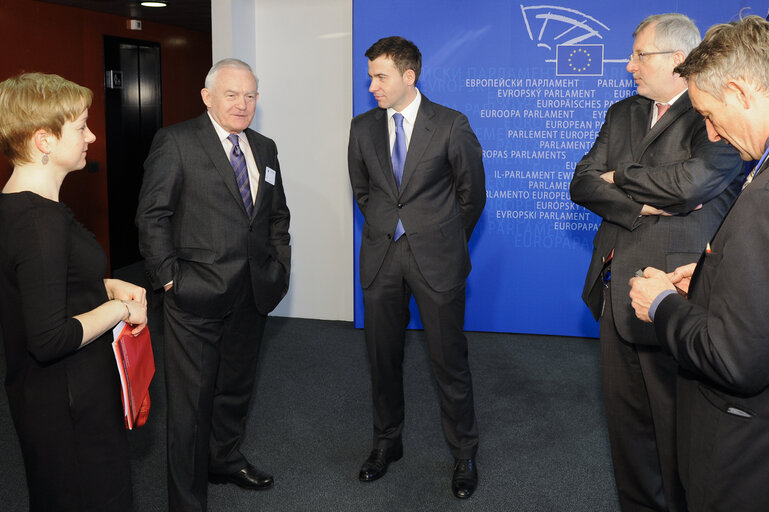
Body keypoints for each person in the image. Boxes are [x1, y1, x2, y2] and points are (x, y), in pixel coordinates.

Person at [569, 13, 744, 512]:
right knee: (626, 432)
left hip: (676, 293)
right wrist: (642, 200)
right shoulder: (622, 111)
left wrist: (618, 176)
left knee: (675, 435)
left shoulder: (712, 113)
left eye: (638, 55)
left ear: (677, 60)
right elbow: (581, 182)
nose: (628, 66)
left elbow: (692, 185)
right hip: (614, 286)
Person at [135, 58, 290, 511]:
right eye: (232, 94)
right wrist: (168, 279)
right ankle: (186, 500)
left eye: (251, 96)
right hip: (194, 294)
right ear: (207, 97)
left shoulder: (265, 147)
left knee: (236, 387)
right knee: (190, 407)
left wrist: (278, 265)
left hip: (253, 292)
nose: (243, 105)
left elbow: (276, 216)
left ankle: (224, 458)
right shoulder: (176, 142)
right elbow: (152, 216)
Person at [629, 15, 769, 512]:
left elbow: (735, 360)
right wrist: (709, 280)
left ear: (740, 91)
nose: (709, 134)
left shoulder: (763, 196)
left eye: (709, 114)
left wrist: (664, 303)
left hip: (740, 457)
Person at [0, 72, 148, 511]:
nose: (92, 135)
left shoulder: (21, 206)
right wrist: (120, 308)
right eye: (81, 126)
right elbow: (50, 339)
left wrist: (102, 284)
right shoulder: (39, 222)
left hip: (50, 397)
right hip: (68, 405)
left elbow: (40, 286)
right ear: (44, 140)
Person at [347, 36, 485, 499]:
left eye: (380, 76)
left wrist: (440, 235)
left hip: (437, 259)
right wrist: (390, 226)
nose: (372, 86)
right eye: (370, 76)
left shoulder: (450, 124)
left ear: (409, 76)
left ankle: (463, 453)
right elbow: (363, 192)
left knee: (449, 361)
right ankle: (387, 443)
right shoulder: (362, 128)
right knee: (382, 359)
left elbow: (472, 196)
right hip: (381, 255)